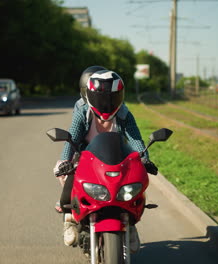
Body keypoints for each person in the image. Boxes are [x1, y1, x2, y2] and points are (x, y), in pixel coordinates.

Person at [53, 66, 158, 252]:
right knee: (72, 177)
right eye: (102, 98)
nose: (107, 103)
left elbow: (135, 139)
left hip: (117, 156)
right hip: (86, 156)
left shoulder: (124, 114)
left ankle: (131, 223)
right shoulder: (82, 111)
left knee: (134, 181)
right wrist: (64, 161)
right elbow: (73, 138)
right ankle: (69, 218)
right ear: (90, 96)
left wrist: (144, 159)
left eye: (112, 98)